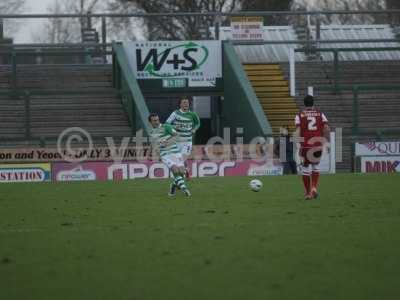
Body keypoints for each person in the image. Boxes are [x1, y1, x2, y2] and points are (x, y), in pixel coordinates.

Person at [294, 95, 330, 200]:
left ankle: (308, 193)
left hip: (305, 145)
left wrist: (297, 143)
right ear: (313, 103)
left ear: (304, 104)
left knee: (305, 168)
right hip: (318, 144)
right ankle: (314, 187)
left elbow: (298, 131)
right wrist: (325, 141)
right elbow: (327, 128)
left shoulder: (300, 115)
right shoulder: (320, 114)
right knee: (316, 166)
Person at [148, 113, 191, 197]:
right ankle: (185, 189)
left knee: (181, 172)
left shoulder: (166, 127)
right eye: (154, 120)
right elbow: (153, 144)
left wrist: (167, 140)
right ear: (150, 122)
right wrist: (151, 154)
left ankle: (173, 187)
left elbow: (176, 135)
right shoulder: (151, 132)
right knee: (175, 170)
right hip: (165, 154)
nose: (156, 122)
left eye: (157, 120)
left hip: (175, 152)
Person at [166, 97, 200, 178]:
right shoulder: (175, 113)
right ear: (180, 104)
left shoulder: (193, 114)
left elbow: (198, 123)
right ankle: (185, 172)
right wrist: (174, 127)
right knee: (179, 159)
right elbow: (167, 124)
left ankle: (180, 177)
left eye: (187, 103)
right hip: (177, 141)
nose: (186, 104)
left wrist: (194, 129)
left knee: (181, 159)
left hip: (187, 141)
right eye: (184, 102)